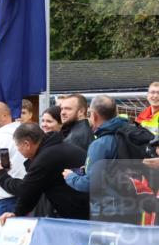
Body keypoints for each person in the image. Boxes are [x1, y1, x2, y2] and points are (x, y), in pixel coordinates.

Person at [64, 95, 149, 223]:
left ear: (94, 115)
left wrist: (70, 177)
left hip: (110, 213)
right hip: (138, 209)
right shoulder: (130, 134)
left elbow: (91, 184)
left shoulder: (101, 144)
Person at [0, 123, 89, 221]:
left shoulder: (45, 158)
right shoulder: (54, 148)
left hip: (81, 215)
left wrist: (2, 175)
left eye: (17, 145)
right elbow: (33, 191)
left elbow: (24, 189)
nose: (18, 150)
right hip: (84, 209)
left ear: (27, 144)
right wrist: (17, 213)